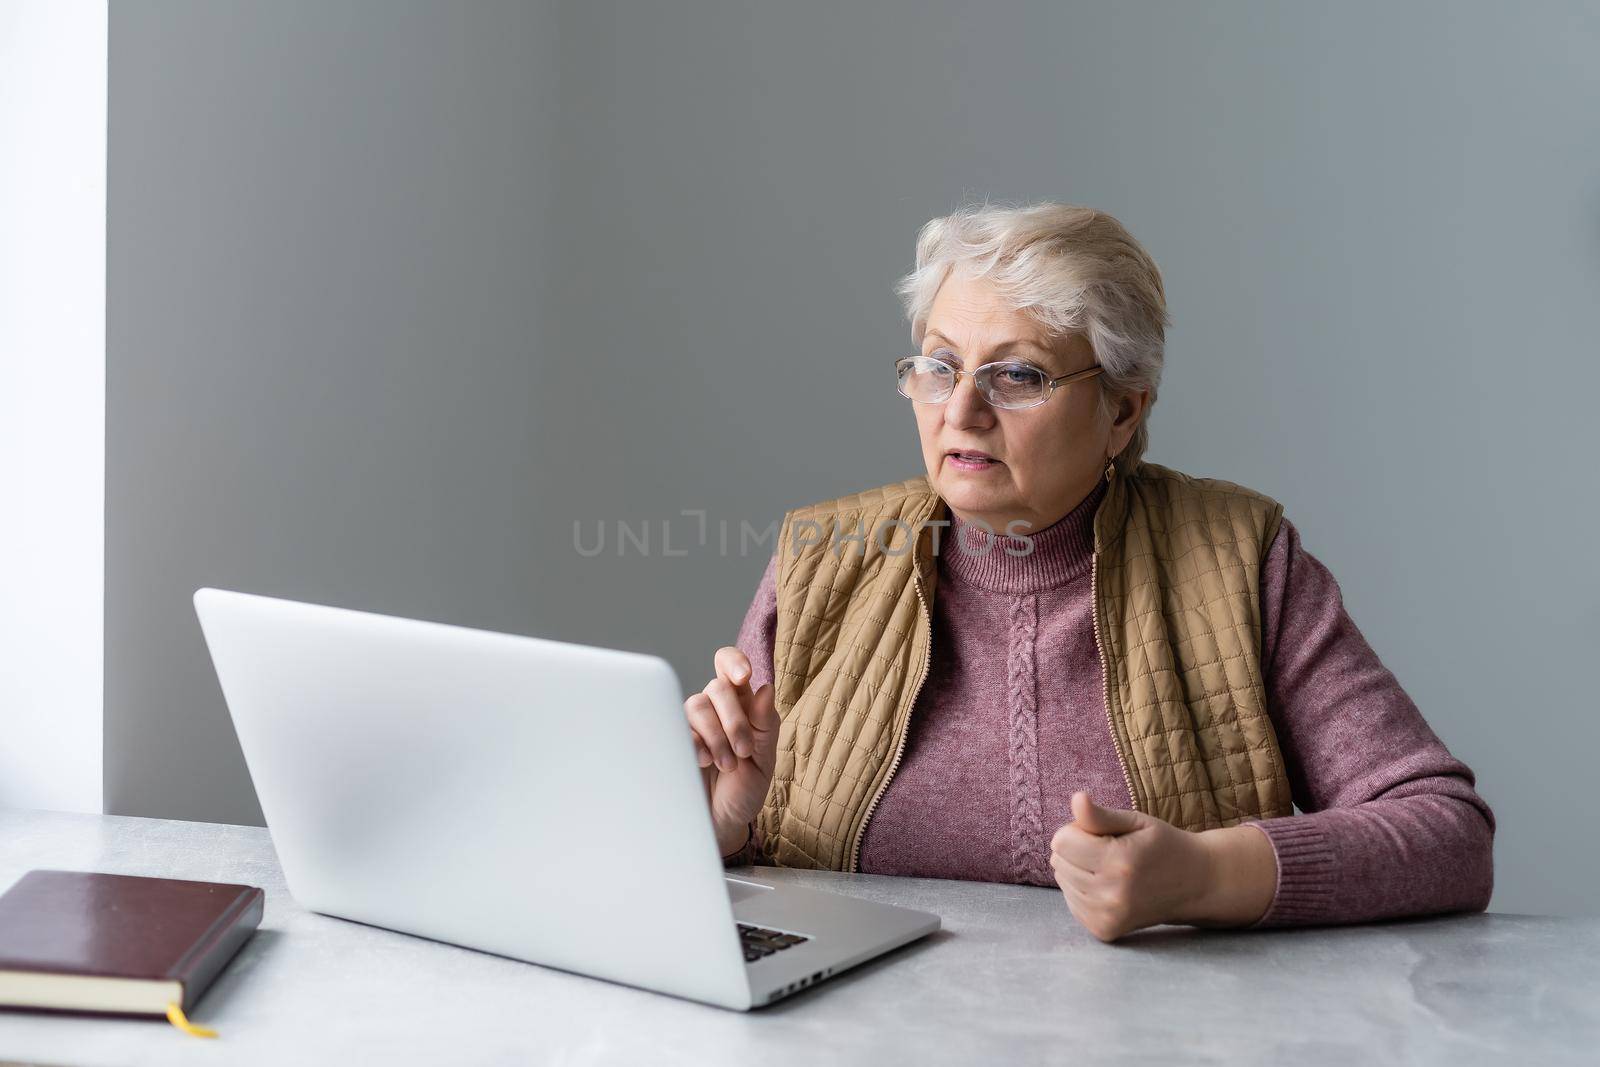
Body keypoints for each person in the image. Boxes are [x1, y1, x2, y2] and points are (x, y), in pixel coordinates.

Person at [682, 201, 1493, 942]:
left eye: (1018, 375)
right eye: (939, 365)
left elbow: (1448, 834)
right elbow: (758, 864)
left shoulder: (1239, 561)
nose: (960, 411)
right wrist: (713, 829)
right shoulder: (822, 561)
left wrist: (1207, 875)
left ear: (1123, 409)